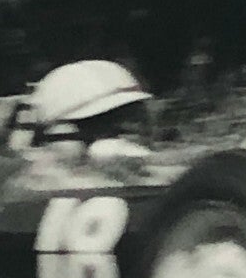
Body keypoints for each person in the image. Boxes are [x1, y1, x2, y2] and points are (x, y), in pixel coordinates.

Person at [14, 59, 156, 185]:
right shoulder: (40, 185)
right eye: (101, 121)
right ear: (59, 132)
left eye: (133, 114)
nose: (132, 128)